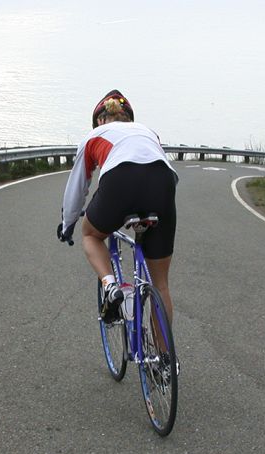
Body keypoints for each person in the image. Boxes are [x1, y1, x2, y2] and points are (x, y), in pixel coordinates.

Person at [56, 89, 178, 324]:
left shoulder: (96, 135)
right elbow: (151, 166)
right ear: (128, 118)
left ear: (100, 120)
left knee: (90, 234)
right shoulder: (147, 131)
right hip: (163, 184)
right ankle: (165, 359)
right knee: (161, 285)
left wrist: (68, 224)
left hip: (120, 180)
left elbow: (78, 186)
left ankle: (112, 287)